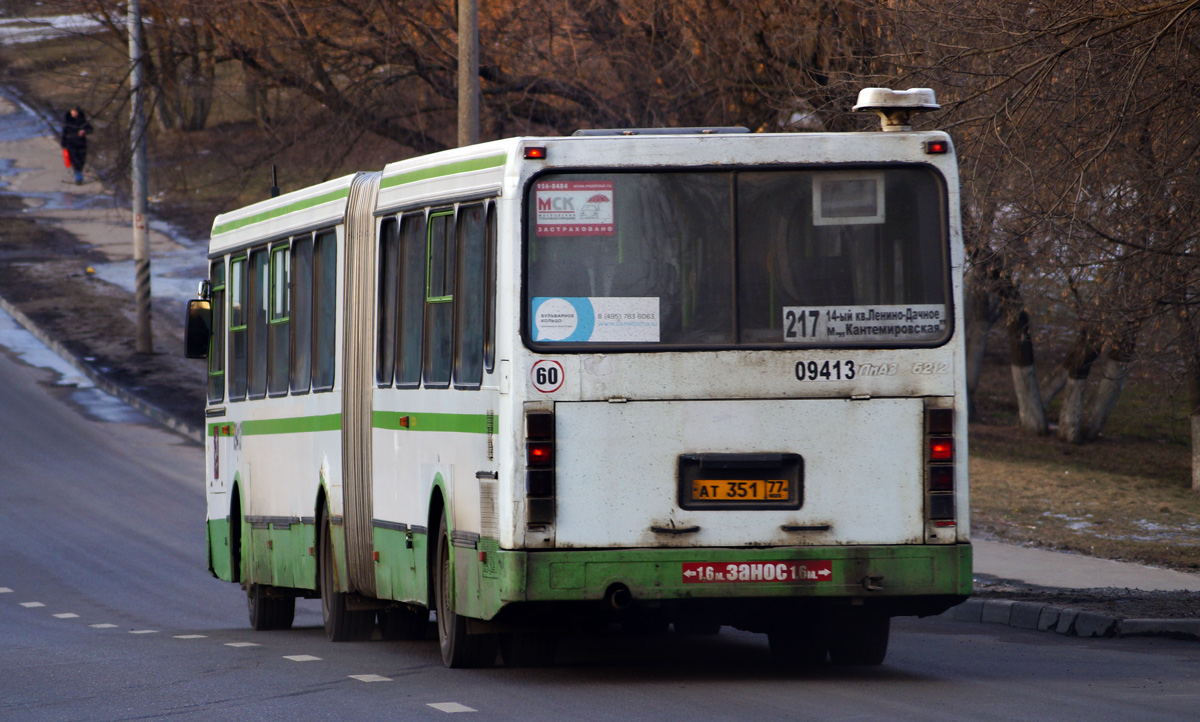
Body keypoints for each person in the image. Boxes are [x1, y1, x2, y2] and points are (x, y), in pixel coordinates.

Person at [60, 107, 93, 185]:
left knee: (81, 159)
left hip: (81, 143)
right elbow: (64, 133)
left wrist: (84, 131)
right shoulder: (67, 121)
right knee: (75, 160)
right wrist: (63, 144)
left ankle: (79, 172)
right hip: (71, 144)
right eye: (73, 112)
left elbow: (90, 129)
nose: (74, 113)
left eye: (75, 112)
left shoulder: (82, 121)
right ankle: (78, 177)